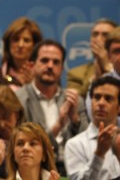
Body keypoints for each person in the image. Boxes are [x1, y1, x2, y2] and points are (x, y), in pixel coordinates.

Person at [15, 40, 87, 175]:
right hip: (35, 171)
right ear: (32, 65)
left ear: (62, 68)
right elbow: (21, 143)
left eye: (56, 62)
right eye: (44, 60)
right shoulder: (19, 99)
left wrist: (75, 120)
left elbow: (87, 144)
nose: (50, 66)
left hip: (72, 170)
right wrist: (58, 126)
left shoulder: (74, 100)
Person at [64, 76, 120, 179]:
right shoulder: (75, 144)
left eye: (108, 99)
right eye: (97, 97)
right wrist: (99, 154)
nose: (101, 103)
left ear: (119, 107)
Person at [0, 17, 43, 92]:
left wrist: (34, 85)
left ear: (35, 45)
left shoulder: (44, 75)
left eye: (26, 40)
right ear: (8, 44)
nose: (20, 45)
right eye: (16, 40)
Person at [67, 19, 117, 98]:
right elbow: (76, 103)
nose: (98, 39)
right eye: (95, 34)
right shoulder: (75, 74)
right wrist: (94, 80)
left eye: (105, 35)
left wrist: (109, 68)